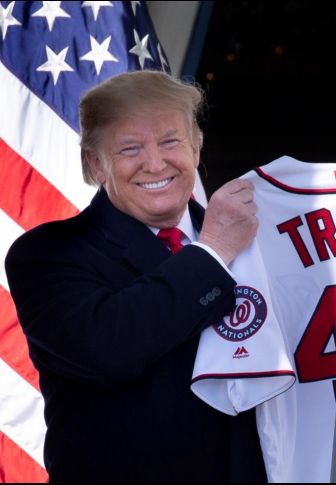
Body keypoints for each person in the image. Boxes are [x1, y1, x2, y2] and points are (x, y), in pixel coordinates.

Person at [4, 71, 264, 481]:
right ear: (96, 163)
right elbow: (108, 345)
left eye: (170, 140)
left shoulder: (258, 243)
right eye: (130, 148)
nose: (155, 162)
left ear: (196, 148)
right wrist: (213, 252)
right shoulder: (46, 254)